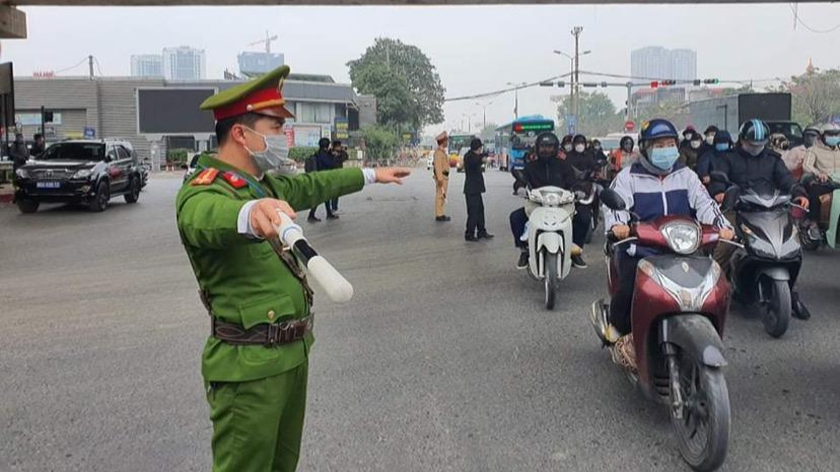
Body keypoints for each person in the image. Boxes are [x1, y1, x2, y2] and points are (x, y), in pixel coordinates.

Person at [175, 65, 409, 472]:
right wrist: (251, 214)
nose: (284, 136)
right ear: (241, 134)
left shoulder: (263, 183)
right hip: (248, 368)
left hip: (290, 355)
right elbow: (204, 218)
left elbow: (314, 186)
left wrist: (372, 174)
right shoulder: (206, 189)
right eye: (276, 125)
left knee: (284, 464)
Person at [593, 119, 733, 366]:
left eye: (670, 144)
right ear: (646, 148)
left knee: (713, 286)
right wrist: (619, 227)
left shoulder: (686, 175)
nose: (666, 150)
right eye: (660, 145)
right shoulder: (629, 177)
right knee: (628, 289)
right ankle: (620, 331)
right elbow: (615, 207)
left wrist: (723, 227)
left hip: (682, 248)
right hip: (641, 249)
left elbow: (705, 203)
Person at [709, 119, 811, 319]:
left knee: (791, 247)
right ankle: (711, 295)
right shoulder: (728, 158)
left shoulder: (773, 160)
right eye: (752, 143)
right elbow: (718, 179)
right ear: (742, 140)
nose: (756, 147)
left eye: (760, 144)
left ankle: (793, 294)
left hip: (771, 209)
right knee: (724, 247)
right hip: (737, 209)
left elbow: (787, 180)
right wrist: (720, 192)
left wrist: (799, 192)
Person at [509, 132, 579, 269]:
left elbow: (574, 181)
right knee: (515, 218)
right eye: (543, 146)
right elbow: (521, 179)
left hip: (561, 205)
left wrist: (578, 190)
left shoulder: (564, 165)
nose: (546, 150)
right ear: (537, 148)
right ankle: (524, 249)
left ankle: (575, 250)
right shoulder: (531, 166)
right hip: (537, 204)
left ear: (556, 148)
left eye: (549, 147)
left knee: (583, 217)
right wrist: (520, 187)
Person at [563, 133, 598, 268]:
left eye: (581, 143)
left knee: (585, 217)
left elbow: (596, 168)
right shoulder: (566, 157)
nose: (579, 145)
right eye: (577, 142)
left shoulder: (589, 155)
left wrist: (595, 174)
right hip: (567, 191)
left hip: (586, 187)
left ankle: (576, 251)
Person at [801, 122, 840, 236]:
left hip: (838, 181)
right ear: (822, 136)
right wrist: (819, 173)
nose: (834, 137)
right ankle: (813, 222)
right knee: (816, 192)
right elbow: (807, 166)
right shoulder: (814, 150)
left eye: (837, 135)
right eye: (831, 135)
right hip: (825, 182)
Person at [463, 137, 493, 241]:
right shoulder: (470, 157)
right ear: (478, 148)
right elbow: (477, 160)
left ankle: (481, 231)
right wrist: (483, 159)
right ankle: (469, 234)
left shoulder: (474, 155)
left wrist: (484, 156)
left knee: (480, 210)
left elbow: (481, 157)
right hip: (471, 190)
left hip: (476, 190)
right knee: (473, 212)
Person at [306, 138, 337, 222]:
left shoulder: (318, 153)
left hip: (319, 177)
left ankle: (328, 213)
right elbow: (331, 164)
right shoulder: (324, 155)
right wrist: (333, 156)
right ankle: (311, 215)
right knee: (319, 197)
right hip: (322, 178)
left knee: (326, 196)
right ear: (327, 145)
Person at [433, 131, 451, 221]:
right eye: (446, 141)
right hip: (442, 177)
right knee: (440, 195)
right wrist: (439, 179)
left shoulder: (442, 152)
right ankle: (439, 215)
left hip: (445, 177)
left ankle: (441, 213)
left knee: (442, 196)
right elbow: (438, 167)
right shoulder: (438, 153)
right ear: (443, 141)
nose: (447, 142)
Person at [329, 140, 348, 214]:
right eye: (340, 146)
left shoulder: (334, 153)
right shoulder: (332, 153)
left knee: (335, 193)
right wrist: (339, 153)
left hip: (334, 174)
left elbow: (345, 157)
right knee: (335, 193)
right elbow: (343, 158)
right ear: (337, 146)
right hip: (334, 175)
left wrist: (341, 152)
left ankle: (333, 208)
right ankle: (334, 208)